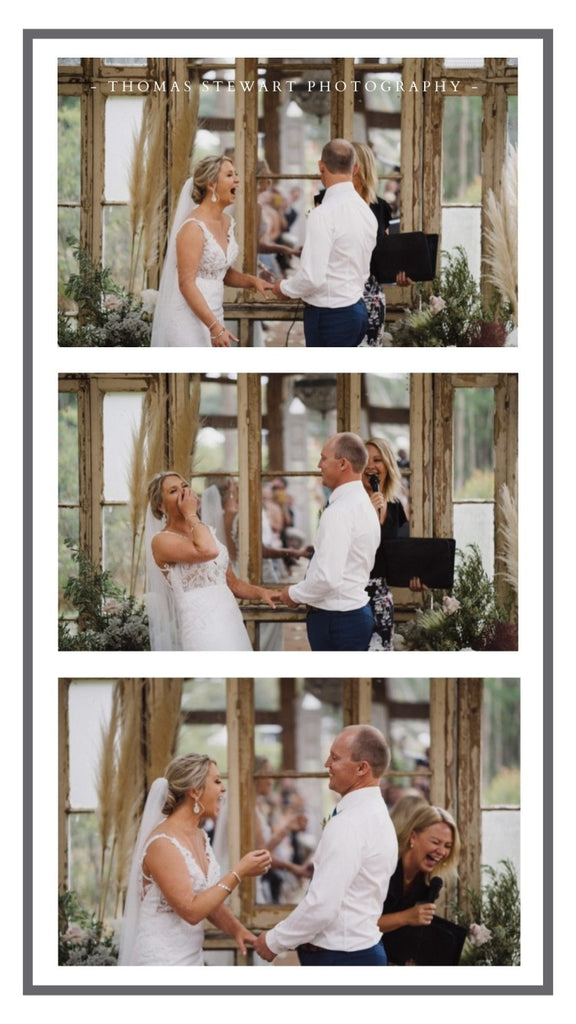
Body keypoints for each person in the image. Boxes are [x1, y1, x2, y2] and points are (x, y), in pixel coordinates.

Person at [253, 725, 398, 965]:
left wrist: (273, 941)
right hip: (357, 950)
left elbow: (323, 906)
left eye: (335, 758)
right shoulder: (374, 813)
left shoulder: (350, 822)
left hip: (342, 958)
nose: (327, 764)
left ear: (362, 768)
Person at [118, 753, 272, 965]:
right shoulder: (162, 844)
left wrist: (237, 929)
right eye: (217, 781)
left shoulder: (200, 836)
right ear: (195, 790)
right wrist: (239, 872)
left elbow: (207, 900)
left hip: (192, 958)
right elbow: (191, 911)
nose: (223, 789)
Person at [144, 471, 280, 651]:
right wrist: (191, 513)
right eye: (173, 491)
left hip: (230, 622)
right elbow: (208, 551)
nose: (184, 492)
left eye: (185, 486)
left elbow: (233, 583)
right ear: (160, 506)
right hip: (202, 629)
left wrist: (262, 592)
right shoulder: (161, 540)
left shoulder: (205, 531)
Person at [150, 155, 273, 347]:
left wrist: (253, 281)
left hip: (213, 315)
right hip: (188, 319)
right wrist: (215, 328)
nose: (237, 180)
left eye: (236, 174)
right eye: (230, 175)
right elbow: (186, 283)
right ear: (211, 184)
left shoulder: (227, 221)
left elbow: (219, 271)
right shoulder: (193, 227)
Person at [271, 139, 377, 347]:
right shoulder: (366, 213)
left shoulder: (322, 214)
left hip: (330, 317)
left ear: (321, 167)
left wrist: (283, 287)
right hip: (357, 310)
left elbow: (312, 278)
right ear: (355, 168)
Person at [279, 433, 380, 651]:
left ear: (343, 464)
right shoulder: (363, 504)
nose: (319, 465)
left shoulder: (339, 511)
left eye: (324, 458)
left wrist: (293, 594)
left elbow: (327, 578)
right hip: (352, 614)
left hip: (337, 621)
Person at [378, 804, 461, 965]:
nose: (441, 851)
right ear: (413, 837)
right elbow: (362, 924)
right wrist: (406, 917)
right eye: (436, 842)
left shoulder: (428, 883)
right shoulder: (384, 869)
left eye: (447, 846)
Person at [362, 436, 415, 650]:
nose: (370, 466)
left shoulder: (395, 507)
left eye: (377, 460)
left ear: (388, 465)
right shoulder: (349, 506)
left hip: (382, 600)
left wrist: (414, 577)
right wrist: (369, 514)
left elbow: (400, 555)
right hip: (352, 599)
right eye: (364, 460)